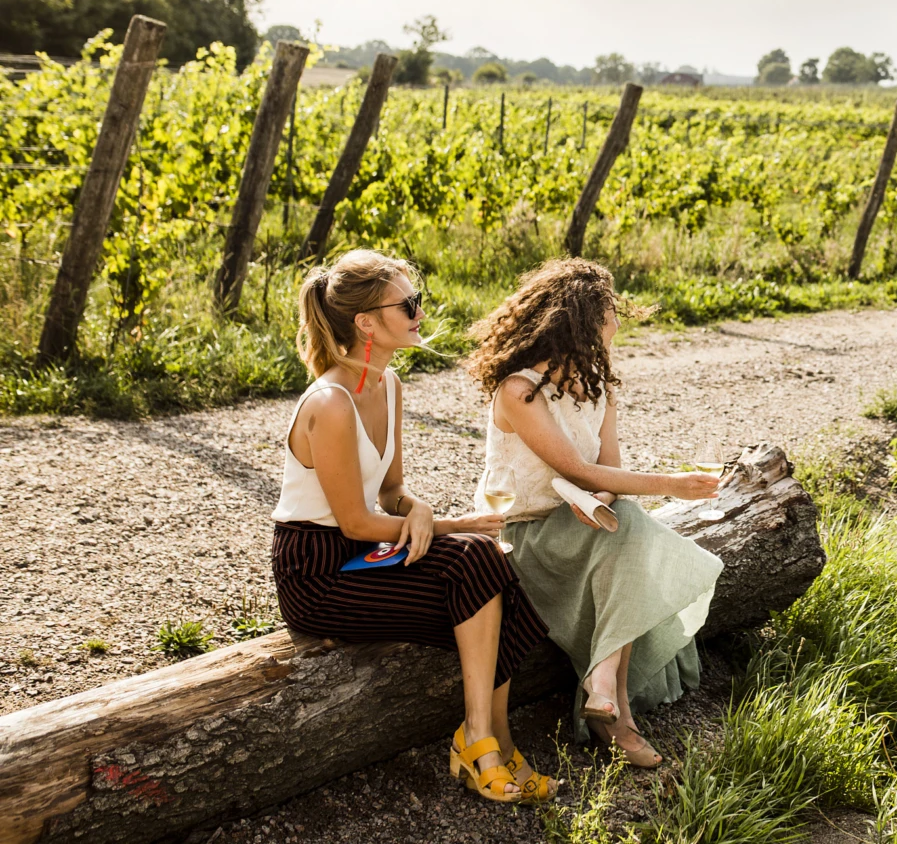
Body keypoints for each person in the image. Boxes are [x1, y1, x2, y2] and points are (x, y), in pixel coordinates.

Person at [272, 249, 553, 804]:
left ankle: (492, 739)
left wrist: (419, 509)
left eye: (416, 300)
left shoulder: (389, 383)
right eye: (408, 304)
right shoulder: (329, 403)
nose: (419, 312)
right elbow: (353, 521)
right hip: (317, 573)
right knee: (473, 555)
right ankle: (481, 744)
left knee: (490, 562)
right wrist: (449, 523)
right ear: (366, 322)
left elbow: (391, 494)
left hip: (362, 548)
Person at [466, 258, 723, 767]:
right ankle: (613, 703)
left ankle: (607, 693)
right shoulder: (518, 390)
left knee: (621, 520)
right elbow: (578, 471)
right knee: (630, 528)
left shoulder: (599, 388)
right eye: (608, 318)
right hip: (523, 535)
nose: (615, 329)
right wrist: (674, 485)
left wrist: (599, 505)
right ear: (574, 325)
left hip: (580, 524)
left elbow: (607, 473)